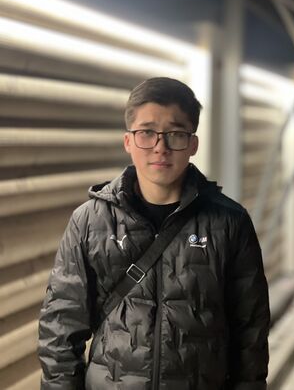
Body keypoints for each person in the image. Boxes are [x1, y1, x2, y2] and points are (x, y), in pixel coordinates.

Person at [38, 76, 270, 390]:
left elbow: (250, 331)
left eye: (175, 134)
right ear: (128, 141)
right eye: (146, 132)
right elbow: (61, 329)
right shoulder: (90, 222)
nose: (160, 147)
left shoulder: (229, 222)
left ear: (193, 144)